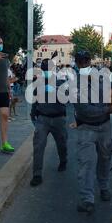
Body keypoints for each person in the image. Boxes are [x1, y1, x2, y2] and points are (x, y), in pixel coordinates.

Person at [73, 51, 112, 214]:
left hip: (105, 127)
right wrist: (107, 109)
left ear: (90, 62)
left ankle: (103, 186)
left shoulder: (103, 78)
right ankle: (87, 199)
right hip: (86, 128)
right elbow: (85, 110)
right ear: (76, 64)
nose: (84, 64)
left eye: (86, 61)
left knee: (105, 159)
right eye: (80, 62)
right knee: (87, 162)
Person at [29, 58, 68, 187]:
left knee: (62, 144)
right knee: (38, 146)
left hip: (58, 118)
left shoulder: (62, 82)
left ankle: (63, 160)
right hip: (43, 119)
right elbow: (34, 100)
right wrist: (33, 113)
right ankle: (37, 174)